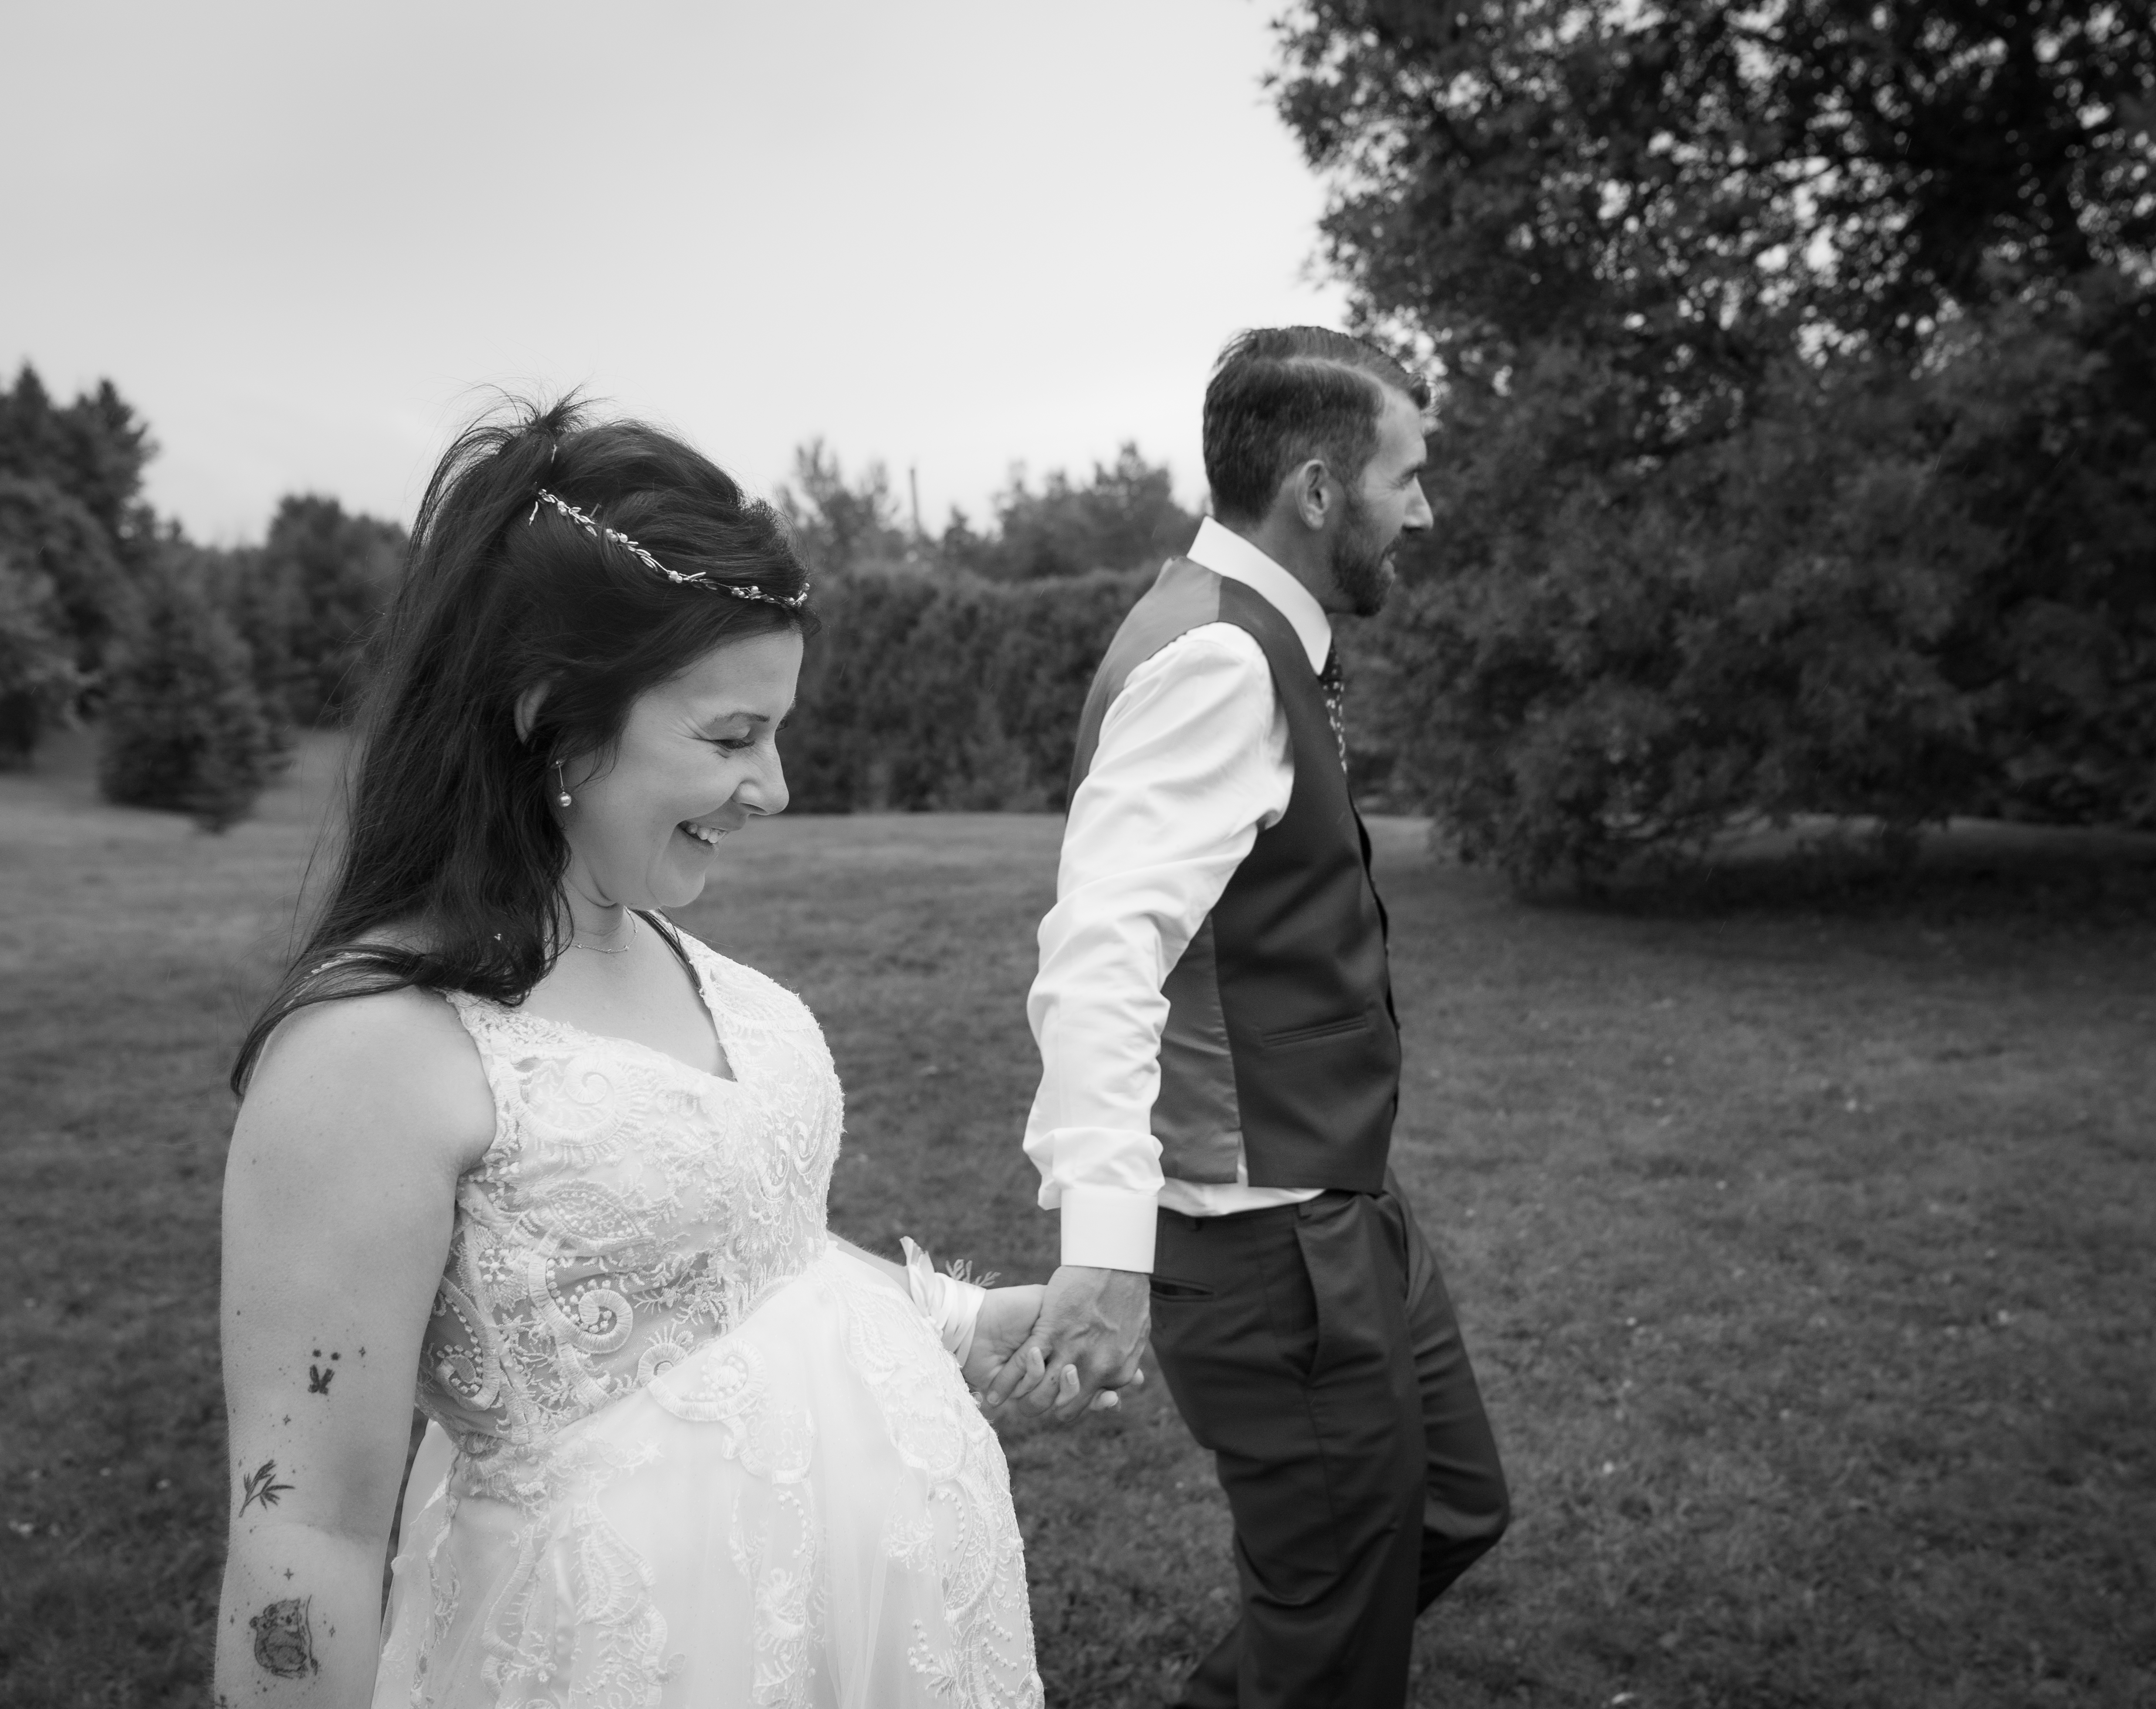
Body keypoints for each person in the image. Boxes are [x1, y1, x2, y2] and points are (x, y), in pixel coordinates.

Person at [214, 399, 1061, 1708]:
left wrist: (956, 1317)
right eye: (729, 739)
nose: (774, 788)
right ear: (551, 716)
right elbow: (306, 1532)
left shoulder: (656, 938)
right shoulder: (368, 1057)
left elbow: (747, 1241)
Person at [992, 328, 1511, 1706]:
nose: (1429, 510)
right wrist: (1103, 1242)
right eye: (1411, 476)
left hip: (1339, 1201)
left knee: (1451, 1509)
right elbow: (1101, 951)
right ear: (1322, 488)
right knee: (1336, 1625)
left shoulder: (1252, 631)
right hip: (1264, 1243)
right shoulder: (1220, 660)